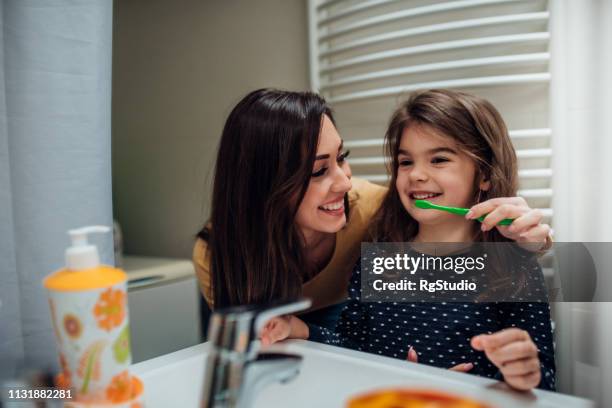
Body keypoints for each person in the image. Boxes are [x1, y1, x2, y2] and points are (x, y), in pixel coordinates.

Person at [259, 89, 555, 391]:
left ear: (484, 174)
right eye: (405, 162)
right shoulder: (378, 260)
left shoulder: (513, 263)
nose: (416, 175)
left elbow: (543, 380)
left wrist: (516, 378)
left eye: (438, 159)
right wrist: (302, 330)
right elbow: (351, 348)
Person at [193, 88, 386, 329]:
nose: (345, 182)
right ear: (263, 186)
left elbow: (439, 286)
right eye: (318, 171)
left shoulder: (376, 210)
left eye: (341, 157)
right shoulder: (216, 254)